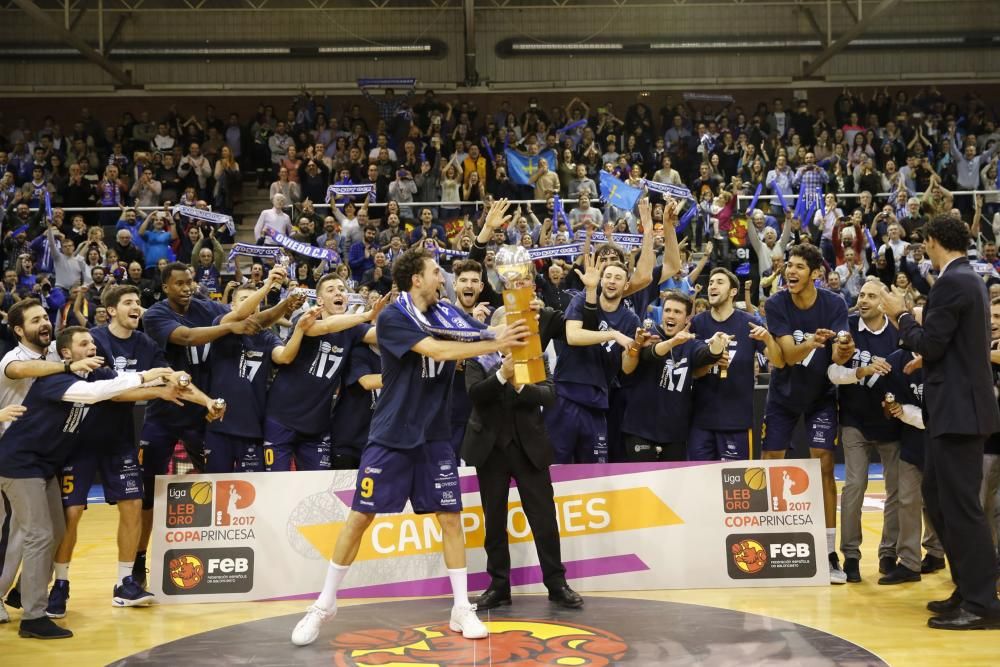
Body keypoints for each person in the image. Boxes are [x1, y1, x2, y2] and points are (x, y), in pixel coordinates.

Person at [290, 246, 529, 647]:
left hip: (434, 435)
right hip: (392, 434)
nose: (444, 279)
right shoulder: (394, 318)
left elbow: (478, 332)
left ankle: (460, 607)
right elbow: (438, 350)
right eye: (437, 272)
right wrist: (492, 341)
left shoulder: (445, 313)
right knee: (360, 518)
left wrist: (503, 331)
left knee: (451, 518)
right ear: (417, 279)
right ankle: (324, 603)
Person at [0, 325, 178, 639]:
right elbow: (97, 394)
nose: (93, 346)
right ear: (66, 354)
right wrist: (146, 374)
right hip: (19, 463)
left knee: (56, 531)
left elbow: (115, 389)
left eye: (93, 342)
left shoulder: (93, 377)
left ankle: (26, 590)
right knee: (39, 535)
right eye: (84, 343)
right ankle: (32, 617)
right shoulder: (56, 379)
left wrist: (162, 387)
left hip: (43, 464)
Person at [881, 214, 1000, 630]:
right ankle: (968, 588)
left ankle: (983, 602)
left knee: (963, 508)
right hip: (956, 409)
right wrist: (927, 357)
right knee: (939, 496)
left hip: (959, 413)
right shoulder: (969, 280)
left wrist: (902, 316)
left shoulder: (953, 281)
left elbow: (931, 340)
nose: (923, 250)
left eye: (924, 244)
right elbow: (951, 347)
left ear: (933, 241)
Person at [132, 263, 267, 587]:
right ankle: (138, 561)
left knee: (214, 490)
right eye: (179, 283)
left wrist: (275, 300)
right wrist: (229, 328)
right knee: (147, 495)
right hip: (163, 414)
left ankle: (218, 555)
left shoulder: (208, 306)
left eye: (190, 281)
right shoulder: (155, 315)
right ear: (166, 287)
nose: (187, 287)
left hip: (202, 415)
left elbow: (241, 318)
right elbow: (188, 337)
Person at [0, 300, 104, 624]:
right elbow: (20, 371)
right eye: (36, 320)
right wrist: (66, 367)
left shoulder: (55, 358)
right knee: (13, 533)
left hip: (41, 455)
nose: (45, 323)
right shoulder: (14, 358)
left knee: (50, 531)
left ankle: (25, 591)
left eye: (46, 317)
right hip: (10, 454)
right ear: (19, 330)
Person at [462, 347, 583, 611]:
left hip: (530, 448)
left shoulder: (534, 355)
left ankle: (556, 584)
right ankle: (498, 587)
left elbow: (549, 395)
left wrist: (518, 386)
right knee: (494, 522)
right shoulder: (478, 356)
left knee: (545, 520)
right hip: (490, 450)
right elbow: (475, 394)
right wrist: (501, 376)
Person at [759, 243, 852, 584]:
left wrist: (843, 348)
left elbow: (842, 355)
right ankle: (767, 543)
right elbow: (786, 354)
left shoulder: (835, 303)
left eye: (799, 266)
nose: (790, 271)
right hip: (783, 396)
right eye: (788, 266)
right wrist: (813, 342)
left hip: (820, 396)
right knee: (770, 462)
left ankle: (829, 552)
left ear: (815, 273)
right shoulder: (776, 302)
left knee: (825, 464)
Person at [264, 273, 381, 472]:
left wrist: (428, 330)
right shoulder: (307, 319)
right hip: (282, 418)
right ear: (319, 300)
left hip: (317, 427)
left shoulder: (352, 331)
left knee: (317, 488)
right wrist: (366, 315)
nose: (338, 293)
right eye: (331, 290)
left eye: (342, 289)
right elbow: (326, 326)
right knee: (275, 485)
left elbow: (383, 336)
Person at [829, 278, 903, 583]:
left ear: (883, 302)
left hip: (891, 422)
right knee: (855, 486)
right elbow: (833, 373)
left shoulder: (898, 332)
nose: (864, 300)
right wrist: (863, 370)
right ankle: (852, 556)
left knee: (896, 490)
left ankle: (889, 552)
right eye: (861, 295)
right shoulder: (846, 329)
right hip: (855, 420)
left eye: (872, 296)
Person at [203, 284, 313, 473]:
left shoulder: (267, 337)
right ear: (231, 305)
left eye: (255, 302)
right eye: (244, 299)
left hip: (253, 429)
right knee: (215, 493)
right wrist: (269, 284)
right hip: (218, 427)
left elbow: (285, 356)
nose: (251, 305)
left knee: (250, 495)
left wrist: (300, 329)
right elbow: (238, 317)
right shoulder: (221, 326)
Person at [546, 252, 637, 464]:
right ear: (601, 281)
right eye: (608, 277)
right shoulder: (581, 299)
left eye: (618, 278)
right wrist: (613, 334)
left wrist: (635, 350)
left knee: (594, 470)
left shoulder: (630, 319)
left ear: (626, 285)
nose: (612, 282)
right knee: (554, 464)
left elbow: (627, 368)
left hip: (598, 401)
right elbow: (573, 336)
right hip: (566, 393)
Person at [620, 290, 727, 461]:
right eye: (668, 310)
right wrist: (673, 342)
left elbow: (705, 354)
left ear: (686, 319)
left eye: (677, 312)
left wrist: (717, 345)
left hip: (675, 434)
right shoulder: (649, 335)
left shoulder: (691, 343)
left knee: (671, 487)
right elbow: (649, 354)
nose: (671, 315)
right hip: (639, 429)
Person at [688, 269, 778, 460]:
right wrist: (711, 359)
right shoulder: (697, 323)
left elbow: (777, 360)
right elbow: (691, 371)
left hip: (736, 421)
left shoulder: (750, 323)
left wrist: (769, 340)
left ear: (733, 292)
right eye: (711, 282)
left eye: (719, 282)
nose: (712, 286)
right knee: (699, 485)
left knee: (734, 486)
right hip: (700, 421)